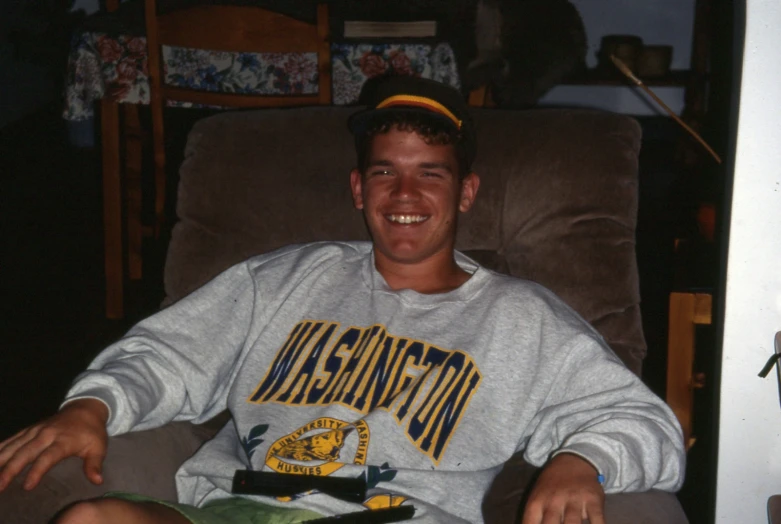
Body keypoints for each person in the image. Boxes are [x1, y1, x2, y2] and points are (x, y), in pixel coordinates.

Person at [0, 76, 685, 524]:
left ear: (466, 193)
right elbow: (168, 353)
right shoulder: (281, 277)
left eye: (430, 175)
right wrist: (92, 405)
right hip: (237, 510)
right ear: (358, 190)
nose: (405, 196)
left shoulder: (522, 318)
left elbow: (644, 423)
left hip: (389, 517)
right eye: (385, 172)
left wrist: (581, 458)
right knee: (90, 520)